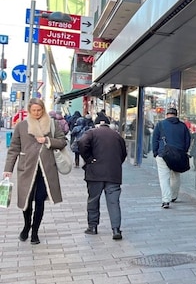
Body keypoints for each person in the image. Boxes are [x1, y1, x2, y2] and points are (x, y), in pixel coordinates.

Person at [2, 98, 68, 245]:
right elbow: (13, 149)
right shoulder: (22, 126)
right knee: (27, 201)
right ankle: (26, 226)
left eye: (39, 110)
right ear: (29, 111)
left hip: (46, 169)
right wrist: (8, 169)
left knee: (40, 200)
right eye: (34, 110)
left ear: (43, 109)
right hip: (27, 168)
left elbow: (63, 141)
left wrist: (47, 140)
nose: (37, 113)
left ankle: (35, 232)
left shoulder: (52, 123)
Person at [77, 120, 128, 240]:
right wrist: (115, 164)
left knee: (93, 200)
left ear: (97, 125)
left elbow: (81, 143)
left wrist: (89, 159)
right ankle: (116, 229)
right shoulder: (117, 136)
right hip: (113, 173)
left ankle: (92, 227)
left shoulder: (91, 133)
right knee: (114, 202)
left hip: (95, 173)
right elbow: (123, 154)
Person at [151, 107, 191, 209]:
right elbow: (188, 140)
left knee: (164, 178)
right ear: (176, 115)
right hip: (178, 154)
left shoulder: (160, 124)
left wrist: (155, 153)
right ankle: (173, 196)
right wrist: (183, 151)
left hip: (163, 154)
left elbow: (154, 140)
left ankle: (166, 200)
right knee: (176, 175)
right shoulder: (183, 126)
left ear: (167, 115)